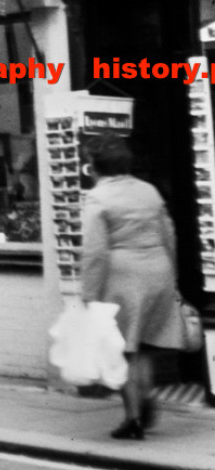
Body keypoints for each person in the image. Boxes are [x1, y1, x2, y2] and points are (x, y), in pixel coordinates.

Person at [80, 133, 183, 440]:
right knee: (146, 347)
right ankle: (146, 394)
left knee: (124, 350)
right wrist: (172, 276)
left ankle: (133, 419)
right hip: (158, 270)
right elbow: (170, 236)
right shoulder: (149, 191)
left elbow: (95, 252)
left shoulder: (98, 197)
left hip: (124, 278)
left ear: (95, 166)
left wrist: (89, 294)